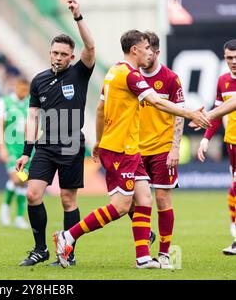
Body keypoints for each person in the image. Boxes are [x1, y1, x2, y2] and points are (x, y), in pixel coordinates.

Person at [53, 30, 211, 269]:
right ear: (135, 49)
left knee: (145, 198)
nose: (150, 52)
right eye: (146, 48)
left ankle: (143, 258)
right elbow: (157, 101)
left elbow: (100, 110)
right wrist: (190, 113)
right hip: (119, 150)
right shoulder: (129, 75)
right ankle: (68, 236)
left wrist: (99, 140)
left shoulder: (114, 70)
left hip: (127, 147)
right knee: (120, 207)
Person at [16, 0, 96, 267]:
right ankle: (41, 249)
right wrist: (26, 152)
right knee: (32, 194)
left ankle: (68, 253)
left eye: (64, 54)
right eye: (55, 53)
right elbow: (32, 116)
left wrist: (78, 16)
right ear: (50, 53)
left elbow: (91, 46)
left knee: (67, 199)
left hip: (72, 143)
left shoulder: (79, 74)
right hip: (46, 145)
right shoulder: (38, 80)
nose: (58, 57)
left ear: (72, 57)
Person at [130, 31, 185, 269]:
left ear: (157, 52)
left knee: (162, 199)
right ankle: (147, 235)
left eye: (148, 50)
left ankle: (163, 253)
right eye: (141, 50)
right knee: (130, 203)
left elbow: (180, 115)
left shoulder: (170, 78)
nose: (144, 54)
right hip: (135, 149)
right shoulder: (131, 77)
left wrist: (175, 148)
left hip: (162, 148)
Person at [196, 39, 236, 255]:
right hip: (232, 144)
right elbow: (218, 112)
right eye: (229, 58)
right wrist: (206, 138)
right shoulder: (223, 81)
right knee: (234, 189)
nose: (234, 61)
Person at [0, 77, 31, 229]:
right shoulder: (3, 102)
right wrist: (1, 147)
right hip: (11, 147)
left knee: (23, 181)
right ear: (16, 87)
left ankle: (18, 217)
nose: (24, 92)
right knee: (17, 179)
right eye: (21, 89)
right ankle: (6, 208)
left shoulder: (31, 103)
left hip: (26, 149)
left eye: (26, 89)